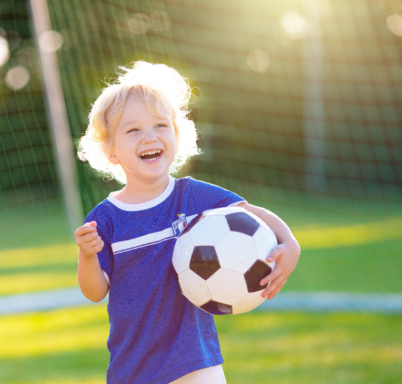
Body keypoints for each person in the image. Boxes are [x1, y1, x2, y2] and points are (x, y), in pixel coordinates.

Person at [74, 61, 300, 384]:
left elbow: (253, 213)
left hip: (196, 363)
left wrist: (289, 242)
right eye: (133, 130)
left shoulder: (192, 197)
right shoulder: (105, 218)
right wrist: (86, 255)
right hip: (133, 369)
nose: (149, 137)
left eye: (160, 126)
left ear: (177, 136)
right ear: (111, 151)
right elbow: (95, 292)